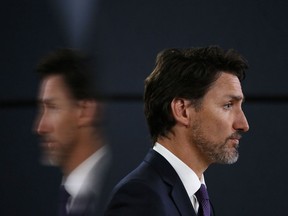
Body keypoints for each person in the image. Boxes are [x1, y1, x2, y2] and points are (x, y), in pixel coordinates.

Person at [104, 46, 250, 216]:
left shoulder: (198, 199)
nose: (243, 124)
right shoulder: (140, 197)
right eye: (228, 105)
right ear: (182, 110)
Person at [34, 48, 112, 216]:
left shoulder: (128, 190)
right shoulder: (67, 195)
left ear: (85, 110)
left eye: (52, 107)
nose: (40, 127)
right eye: (41, 110)